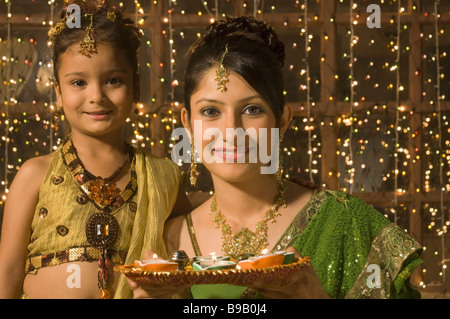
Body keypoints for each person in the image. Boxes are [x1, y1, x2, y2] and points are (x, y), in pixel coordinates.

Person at [128, 16, 423, 299]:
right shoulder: (169, 240)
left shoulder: (345, 222)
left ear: (281, 121)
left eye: (252, 109)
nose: (231, 131)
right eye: (210, 112)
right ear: (189, 124)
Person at [0, 0, 191, 299]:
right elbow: (8, 273)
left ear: (136, 88)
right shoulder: (35, 174)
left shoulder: (163, 177)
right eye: (79, 82)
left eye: (113, 80)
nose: (96, 96)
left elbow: (185, 265)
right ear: (59, 93)